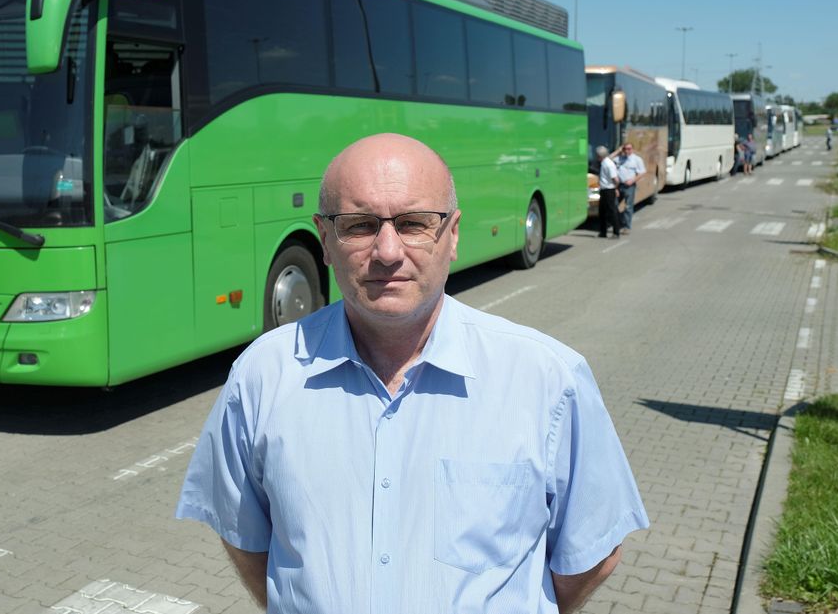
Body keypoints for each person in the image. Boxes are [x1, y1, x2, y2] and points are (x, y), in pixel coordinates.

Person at [175, 133, 649, 614]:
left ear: (453, 234)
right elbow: (244, 537)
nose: (387, 251)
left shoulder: (547, 380)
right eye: (359, 226)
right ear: (324, 240)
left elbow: (591, 554)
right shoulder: (262, 376)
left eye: (413, 223)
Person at [610, 143, 645, 233]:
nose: (627, 151)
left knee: (628, 206)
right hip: (619, 185)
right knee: (614, 205)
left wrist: (632, 181)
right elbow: (608, 159)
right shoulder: (619, 158)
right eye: (625, 149)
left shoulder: (637, 159)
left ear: (632, 149)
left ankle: (627, 227)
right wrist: (618, 151)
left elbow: (642, 172)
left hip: (629, 185)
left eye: (629, 149)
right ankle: (620, 220)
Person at [596, 145, 621, 238]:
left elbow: (615, 179)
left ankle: (616, 232)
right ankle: (603, 232)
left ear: (600, 156)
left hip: (609, 190)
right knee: (602, 212)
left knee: (612, 211)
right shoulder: (604, 162)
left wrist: (616, 188)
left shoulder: (608, 164)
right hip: (603, 189)